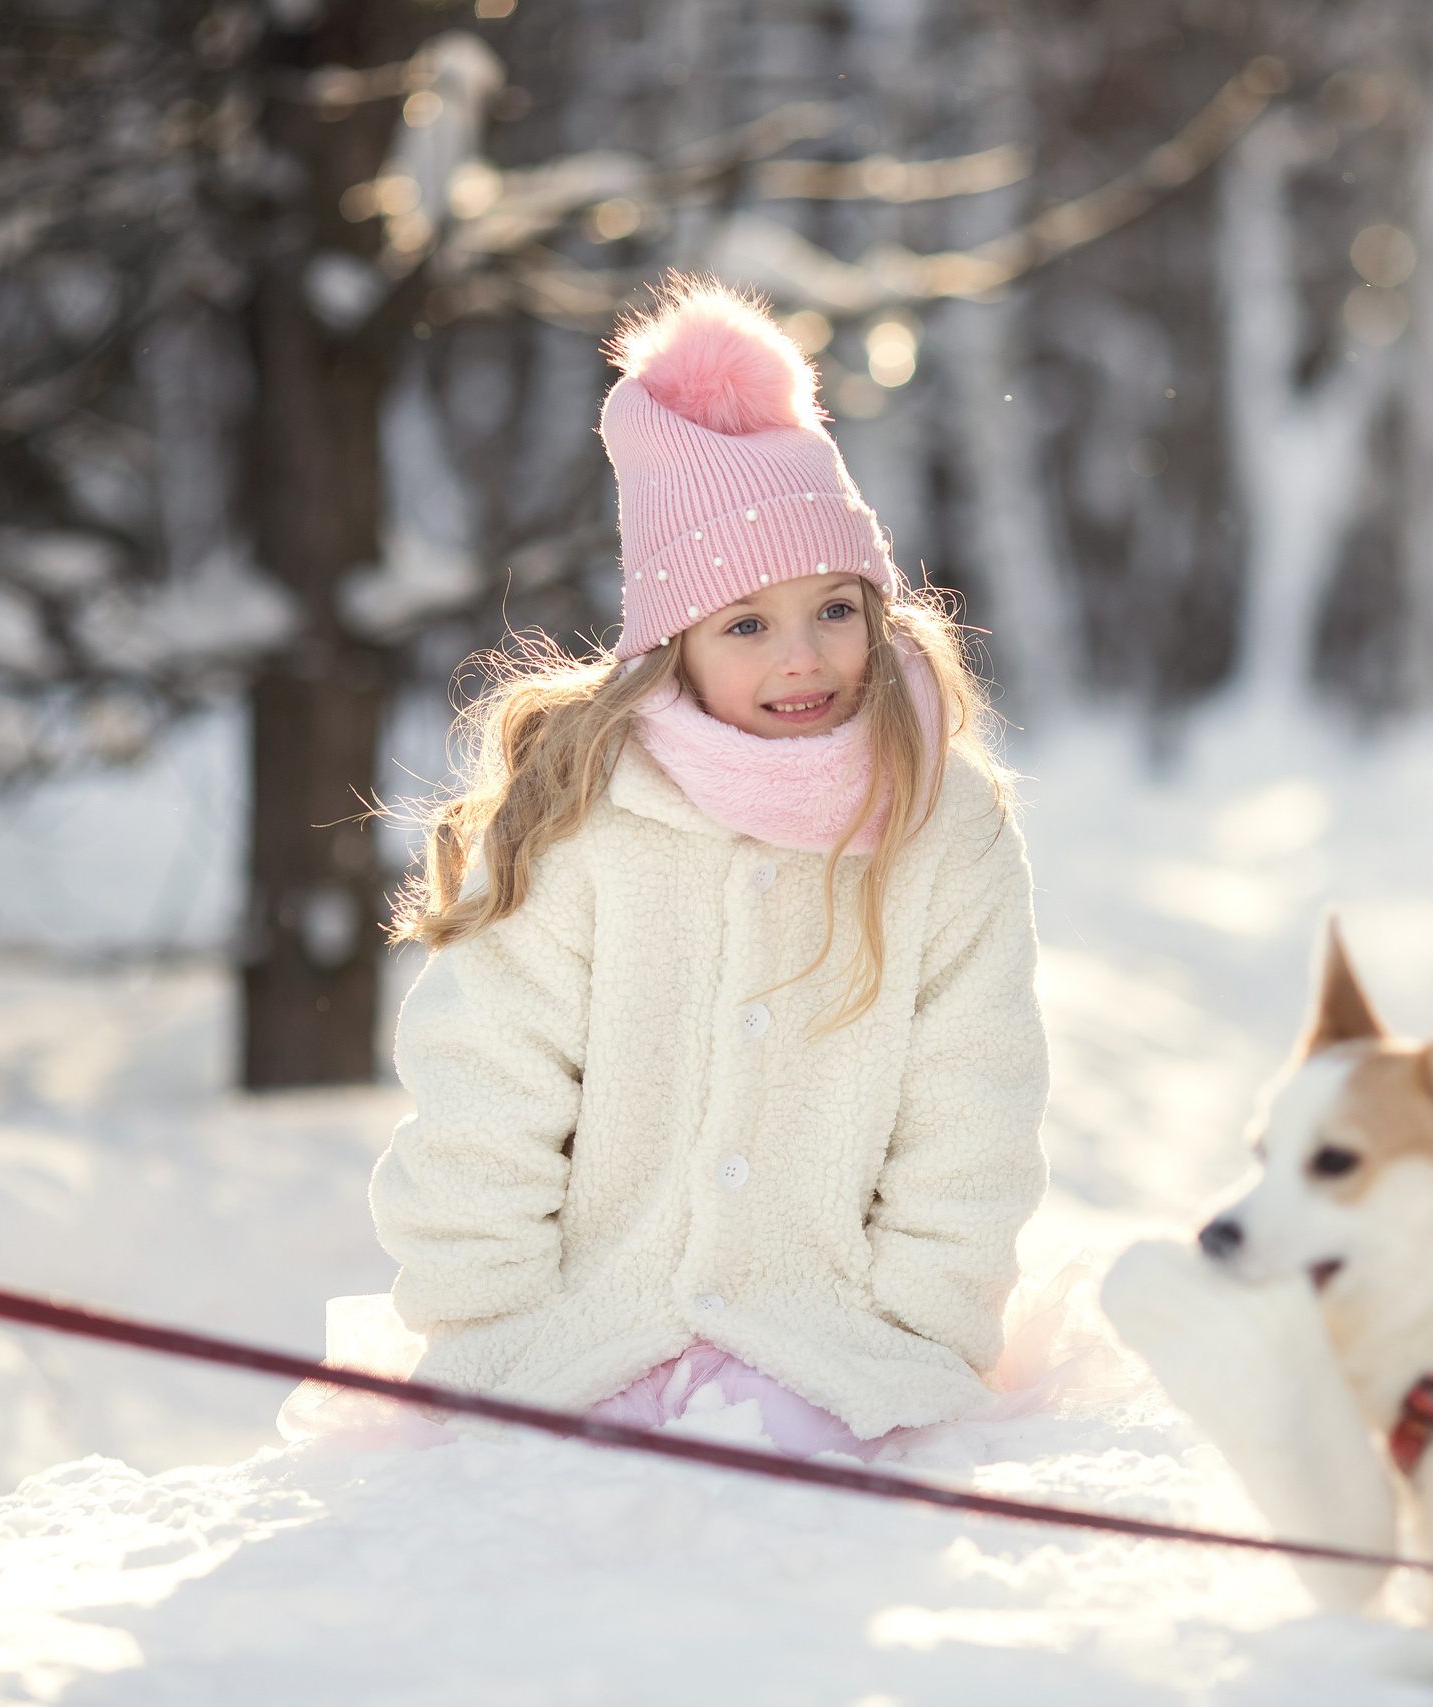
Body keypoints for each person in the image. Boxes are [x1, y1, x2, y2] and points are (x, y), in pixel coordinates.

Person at [368, 279, 1049, 1460]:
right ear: (669, 644)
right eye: (744, 625)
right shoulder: (587, 814)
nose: (804, 658)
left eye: (834, 609)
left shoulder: (943, 825)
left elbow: (972, 1102)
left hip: (843, 1366)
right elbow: (487, 1085)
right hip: (578, 1355)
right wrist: (490, 1327)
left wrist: (921, 1327)